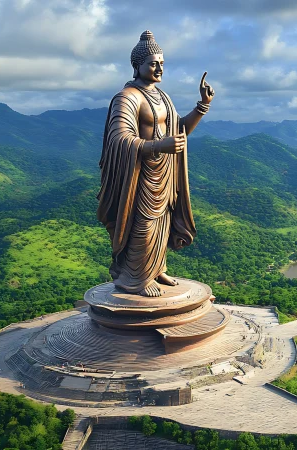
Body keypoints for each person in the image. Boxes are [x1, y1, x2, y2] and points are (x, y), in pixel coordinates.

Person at [97, 30, 215, 297]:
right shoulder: (127, 97)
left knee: (163, 222)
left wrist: (202, 106)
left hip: (164, 171)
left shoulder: (163, 97)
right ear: (137, 65)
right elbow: (120, 139)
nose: (159, 68)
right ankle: (135, 278)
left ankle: (156, 267)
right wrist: (159, 146)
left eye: (162, 63)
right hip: (138, 175)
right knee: (144, 224)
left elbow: (179, 129)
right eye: (153, 63)